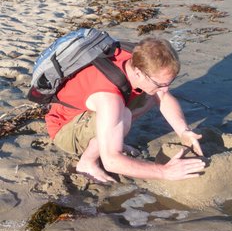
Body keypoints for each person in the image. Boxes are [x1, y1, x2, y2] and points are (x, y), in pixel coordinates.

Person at [45, 37, 205, 183]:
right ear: (138, 73)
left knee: (152, 95)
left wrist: (184, 131)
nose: (166, 88)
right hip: (65, 129)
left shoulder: (137, 57)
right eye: (161, 83)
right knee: (123, 116)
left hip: (97, 109)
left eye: (169, 82)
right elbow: (111, 161)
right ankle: (87, 162)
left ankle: (113, 138)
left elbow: (163, 97)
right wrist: (165, 172)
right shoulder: (109, 98)